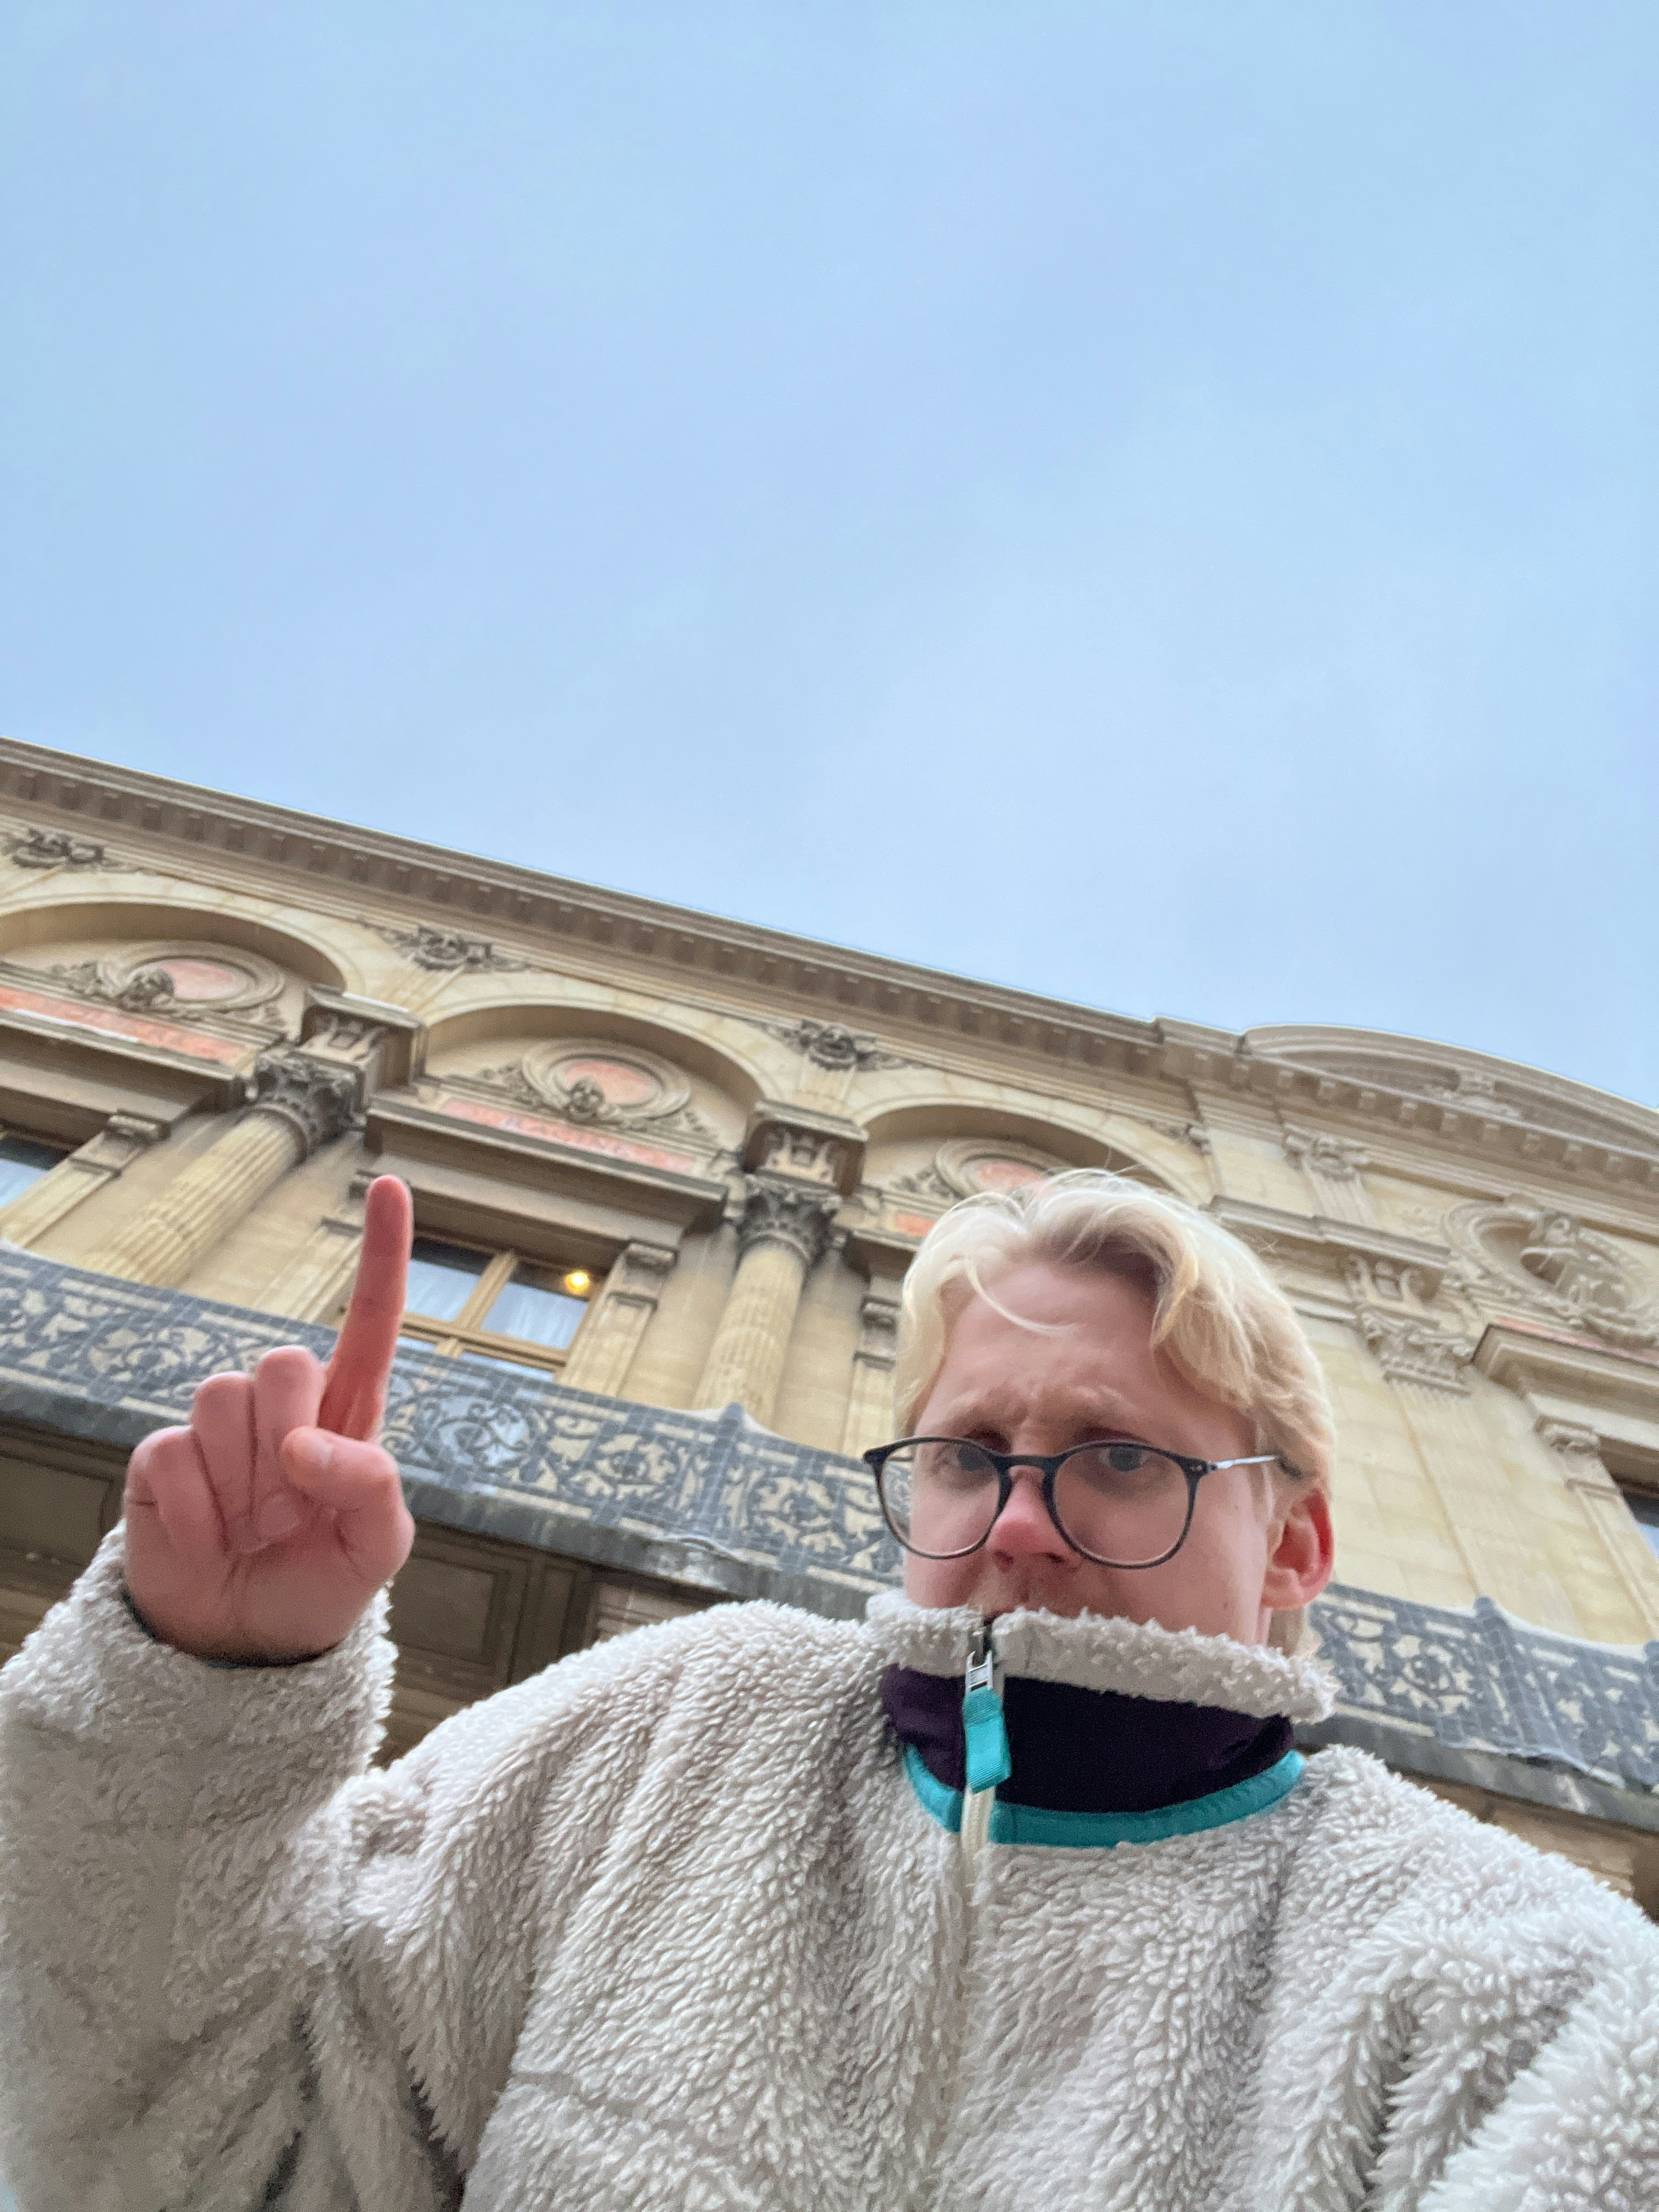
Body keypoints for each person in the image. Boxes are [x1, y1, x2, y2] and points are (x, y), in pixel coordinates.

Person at [0, 1170, 1654, 2210]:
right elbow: (175, 2161)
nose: (1013, 1520)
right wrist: (205, 1695)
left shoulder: (1520, 1984)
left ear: (1293, 1545)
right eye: (965, 1455)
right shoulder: (661, 1733)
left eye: (1120, 1460)